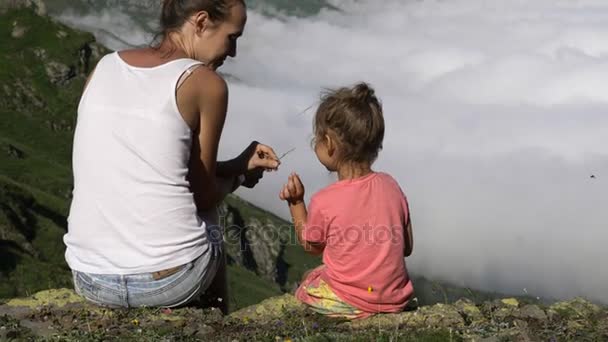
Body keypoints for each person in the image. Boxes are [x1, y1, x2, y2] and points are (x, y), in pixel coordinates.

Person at [64, 0, 280, 313]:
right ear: (202, 22)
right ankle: (218, 322)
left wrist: (238, 164)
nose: (232, 53)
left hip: (90, 277)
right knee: (210, 220)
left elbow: (156, 167)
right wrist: (238, 178)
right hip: (170, 281)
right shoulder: (206, 84)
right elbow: (203, 196)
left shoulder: (104, 66)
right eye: (232, 37)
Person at [279, 82, 414, 319]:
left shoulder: (325, 200)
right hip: (394, 298)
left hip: (352, 301)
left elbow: (311, 246)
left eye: (318, 138)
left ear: (329, 144)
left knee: (307, 281)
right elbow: (407, 247)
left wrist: (296, 203)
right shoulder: (391, 186)